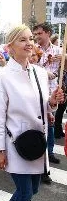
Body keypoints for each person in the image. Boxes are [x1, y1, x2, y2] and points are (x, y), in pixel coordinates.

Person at [0, 24, 64, 201]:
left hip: (37, 144)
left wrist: (53, 102)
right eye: (22, 40)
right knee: (25, 192)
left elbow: (46, 110)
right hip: (16, 143)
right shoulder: (2, 77)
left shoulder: (40, 73)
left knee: (32, 189)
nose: (29, 43)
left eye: (30, 39)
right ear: (11, 46)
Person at [33, 23, 62, 176]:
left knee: (50, 124)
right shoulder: (33, 49)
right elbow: (28, 66)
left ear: (48, 33)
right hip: (37, 92)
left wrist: (65, 58)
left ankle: (49, 152)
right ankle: (40, 159)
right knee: (40, 125)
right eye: (35, 34)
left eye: (39, 33)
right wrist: (44, 72)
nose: (37, 36)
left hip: (53, 92)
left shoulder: (58, 50)